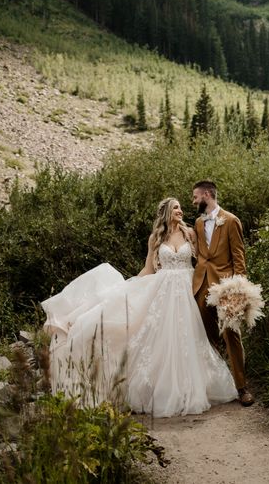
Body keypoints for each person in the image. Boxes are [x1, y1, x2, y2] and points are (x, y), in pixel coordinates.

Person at [41, 197, 236, 417]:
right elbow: (148, 269)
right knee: (161, 340)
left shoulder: (190, 233)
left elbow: (204, 260)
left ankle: (192, 387)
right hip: (163, 293)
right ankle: (163, 390)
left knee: (187, 338)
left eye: (181, 207)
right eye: (176, 208)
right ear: (166, 213)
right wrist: (128, 285)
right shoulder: (156, 238)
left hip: (186, 292)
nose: (180, 211)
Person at [192, 179, 254, 406]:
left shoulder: (230, 221)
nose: (194, 201)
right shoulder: (198, 224)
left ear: (207, 194)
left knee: (231, 334)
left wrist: (239, 288)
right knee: (205, 335)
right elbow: (199, 254)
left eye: (196, 197)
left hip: (226, 286)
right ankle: (216, 385)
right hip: (201, 286)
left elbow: (239, 257)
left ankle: (241, 387)